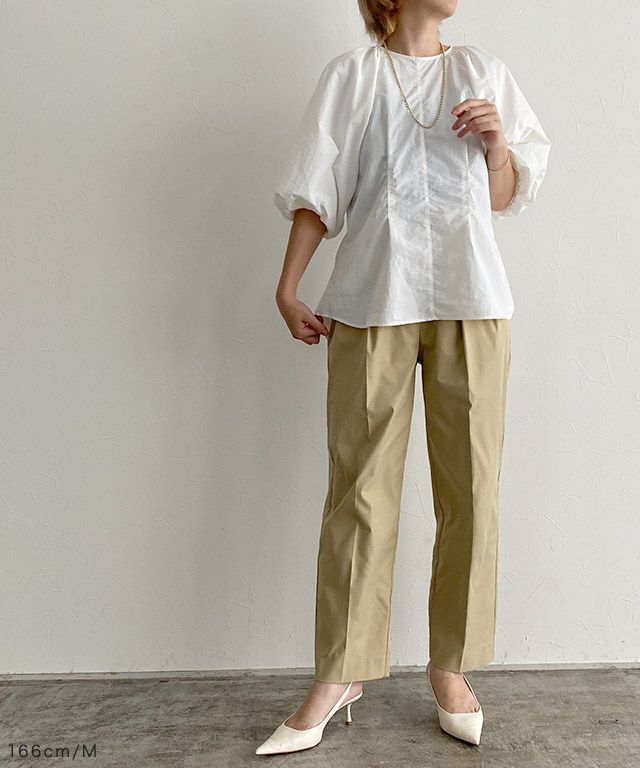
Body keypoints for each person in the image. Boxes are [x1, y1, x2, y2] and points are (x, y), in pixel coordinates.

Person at [256, 0, 551, 755]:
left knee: (472, 492)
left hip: (471, 303)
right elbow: (318, 190)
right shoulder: (352, 77)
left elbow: (501, 198)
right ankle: (341, 673)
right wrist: (288, 286)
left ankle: (451, 667)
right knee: (359, 494)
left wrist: (497, 146)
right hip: (371, 302)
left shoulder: (482, 71)